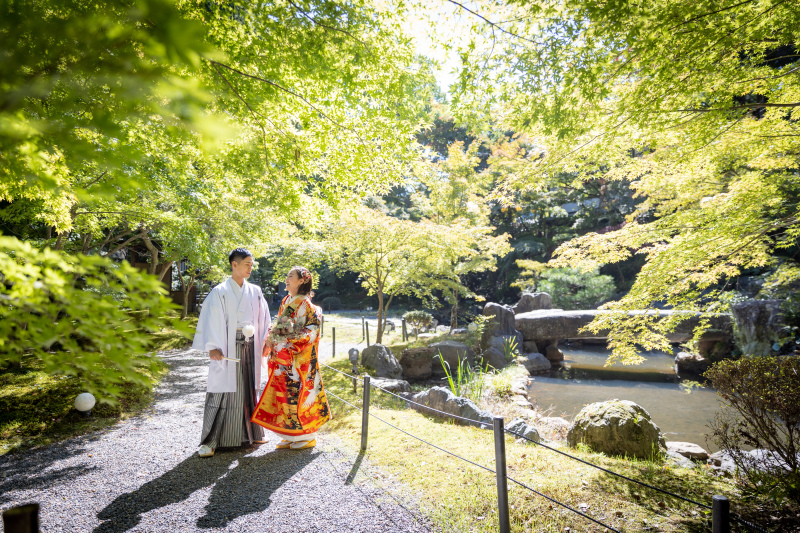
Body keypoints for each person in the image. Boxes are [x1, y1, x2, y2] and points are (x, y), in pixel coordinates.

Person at [191, 248, 271, 458]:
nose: (250, 268)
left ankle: (250, 435)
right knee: (223, 391)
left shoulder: (255, 290)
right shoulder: (220, 291)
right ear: (234, 264)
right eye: (247, 264)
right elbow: (211, 319)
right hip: (228, 346)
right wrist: (212, 346)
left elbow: (264, 318)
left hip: (250, 345)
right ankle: (212, 440)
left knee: (247, 388)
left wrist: (266, 341)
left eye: (252, 264)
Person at [251, 266, 330, 450]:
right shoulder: (288, 299)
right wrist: (272, 338)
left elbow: (311, 332)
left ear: (302, 280)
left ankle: (306, 436)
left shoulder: (308, 305)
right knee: (284, 396)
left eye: (291, 276)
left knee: (298, 395)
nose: (287, 279)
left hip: (297, 360)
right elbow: (280, 325)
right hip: (282, 359)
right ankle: (289, 435)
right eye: (286, 276)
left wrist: (283, 336)